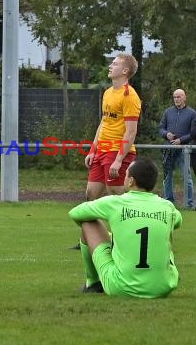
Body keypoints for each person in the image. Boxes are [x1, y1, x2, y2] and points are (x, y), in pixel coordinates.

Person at [68, 157, 182, 298]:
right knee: (166, 231)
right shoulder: (167, 206)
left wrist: (112, 238)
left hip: (121, 286)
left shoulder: (115, 203)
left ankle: (92, 283)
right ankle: (159, 276)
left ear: (131, 181)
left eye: (126, 173)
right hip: (163, 287)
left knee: (88, 222)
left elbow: (75, 213)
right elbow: (177, 221)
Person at [71, 53, 141, 250]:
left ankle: (125, 240)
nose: (111, 66)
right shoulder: (109, 92)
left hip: (117, 152)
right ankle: (85, 240)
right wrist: (93, 149)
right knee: (90, 195)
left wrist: (119, 160)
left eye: (115, 63)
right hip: (102, 151)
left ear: (125, 71)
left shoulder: (130, 96)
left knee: (117, 197)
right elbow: (104, 122)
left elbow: (131, 131)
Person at [158, 89, 196, 208]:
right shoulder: (168, 112)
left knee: (186, 176)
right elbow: (160, 128)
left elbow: (193, 133)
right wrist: (166, 134)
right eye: (175, 97)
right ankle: (169, 202)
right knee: (167, 176)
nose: (176, 99)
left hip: (183, 150)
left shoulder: (192, 113)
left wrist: (181, 140)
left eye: (179, 97)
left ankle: (189, 204)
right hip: (168, 149)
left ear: (185, 97)